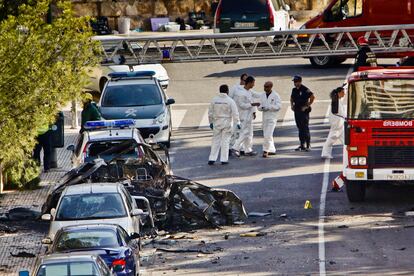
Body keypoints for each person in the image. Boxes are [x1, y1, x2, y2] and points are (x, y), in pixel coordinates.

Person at [208, 85, 241, 165]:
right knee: (225, 141)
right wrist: (238, 123)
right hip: (227, 122)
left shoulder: (214, 100)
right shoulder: (230, 101)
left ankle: (212, 158)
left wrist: (211, 122)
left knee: (215, 140)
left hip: (217, 122)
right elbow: (235, 113)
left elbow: (210, 113)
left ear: (220, 90)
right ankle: (224, 159)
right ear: (227, 91)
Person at [231, 76, 261, 156]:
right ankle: (235, 147)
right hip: (244, 116)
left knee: (250, 134)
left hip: (249, 115)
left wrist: (254, 112)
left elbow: (255, 97)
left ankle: (248, 149)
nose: (254, 85)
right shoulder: (241, 93)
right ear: (250, 83)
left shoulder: (249, 91)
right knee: (244, 132)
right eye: (253, 83)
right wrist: (252, 104)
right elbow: (242, 105)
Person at [290, 76, 315, 152]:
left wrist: (307, 106)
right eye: (294, 82)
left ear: (300, 81)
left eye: (296, 81)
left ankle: (308, 145)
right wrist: (292, 105)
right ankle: (302, 144)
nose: (295, 83)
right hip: (297, 110)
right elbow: (291, 98)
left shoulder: (305, 89)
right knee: (299, 127)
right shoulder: (294, 90)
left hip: (304, 111)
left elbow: (312, 97)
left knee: (305, 127)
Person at [321, 87, 346, 159]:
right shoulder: (336, 100)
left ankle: (347, 151)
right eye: (343, 92)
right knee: (332, 138)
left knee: (345, 139)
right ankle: (325, 153)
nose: (344, 94)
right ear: (339, 93)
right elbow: (337, 112)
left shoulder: (337, 99)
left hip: (339, 122)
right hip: (337, 123)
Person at [259, 81, 282, 158]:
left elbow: (279, 106)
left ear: (271, 87)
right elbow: (259, 105)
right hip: (265, 117)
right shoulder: (262, 95)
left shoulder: (276, 96)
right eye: (264, 86)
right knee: (267, 134)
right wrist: (261, 108)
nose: (265, 88)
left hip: (272, 118)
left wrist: (270, 107)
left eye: (266, 87)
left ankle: (265, 150)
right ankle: (272, 150)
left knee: (268, 135)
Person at [229, 73, 248, 150]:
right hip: (235, 113)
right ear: (241, 80)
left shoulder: (247, 88)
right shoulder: (234, 88)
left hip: (244, 112)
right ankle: (231, 146)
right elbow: (229, 98)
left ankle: (241, 148)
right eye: (244, 80)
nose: (246, 82)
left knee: (243, 131)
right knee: (234, 131)